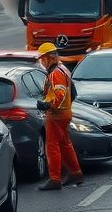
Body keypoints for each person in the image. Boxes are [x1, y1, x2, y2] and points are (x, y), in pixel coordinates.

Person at [35, 42, 84, 190]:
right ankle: (76, 173)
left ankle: (55, 179)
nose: (41, 62)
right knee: (65, 144)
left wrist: (48, 105)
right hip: (65, 113)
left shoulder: (55, 72)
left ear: (49, 57)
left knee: (52, 146)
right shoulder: (62, 69)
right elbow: (70, 93)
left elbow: (60, 93)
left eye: (42, 58)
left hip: (56, 115)